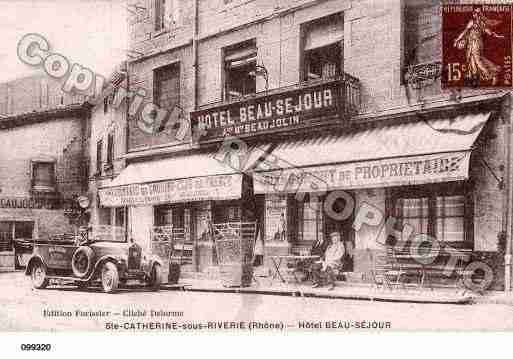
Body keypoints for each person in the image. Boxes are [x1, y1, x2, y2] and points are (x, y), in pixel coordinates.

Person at [453, 7, 504, 86]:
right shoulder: (480, 23)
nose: (474, 14)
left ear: (478, 15)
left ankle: (493, 75)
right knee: (474, 60)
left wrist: (457, 40)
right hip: (474, 43)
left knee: (477, 61)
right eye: (474, 13)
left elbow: (464, 32)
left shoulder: (474, 22)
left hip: (475, 43)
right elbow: (489, 32)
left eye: (476, 13)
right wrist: (497, 36)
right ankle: (475, 78)